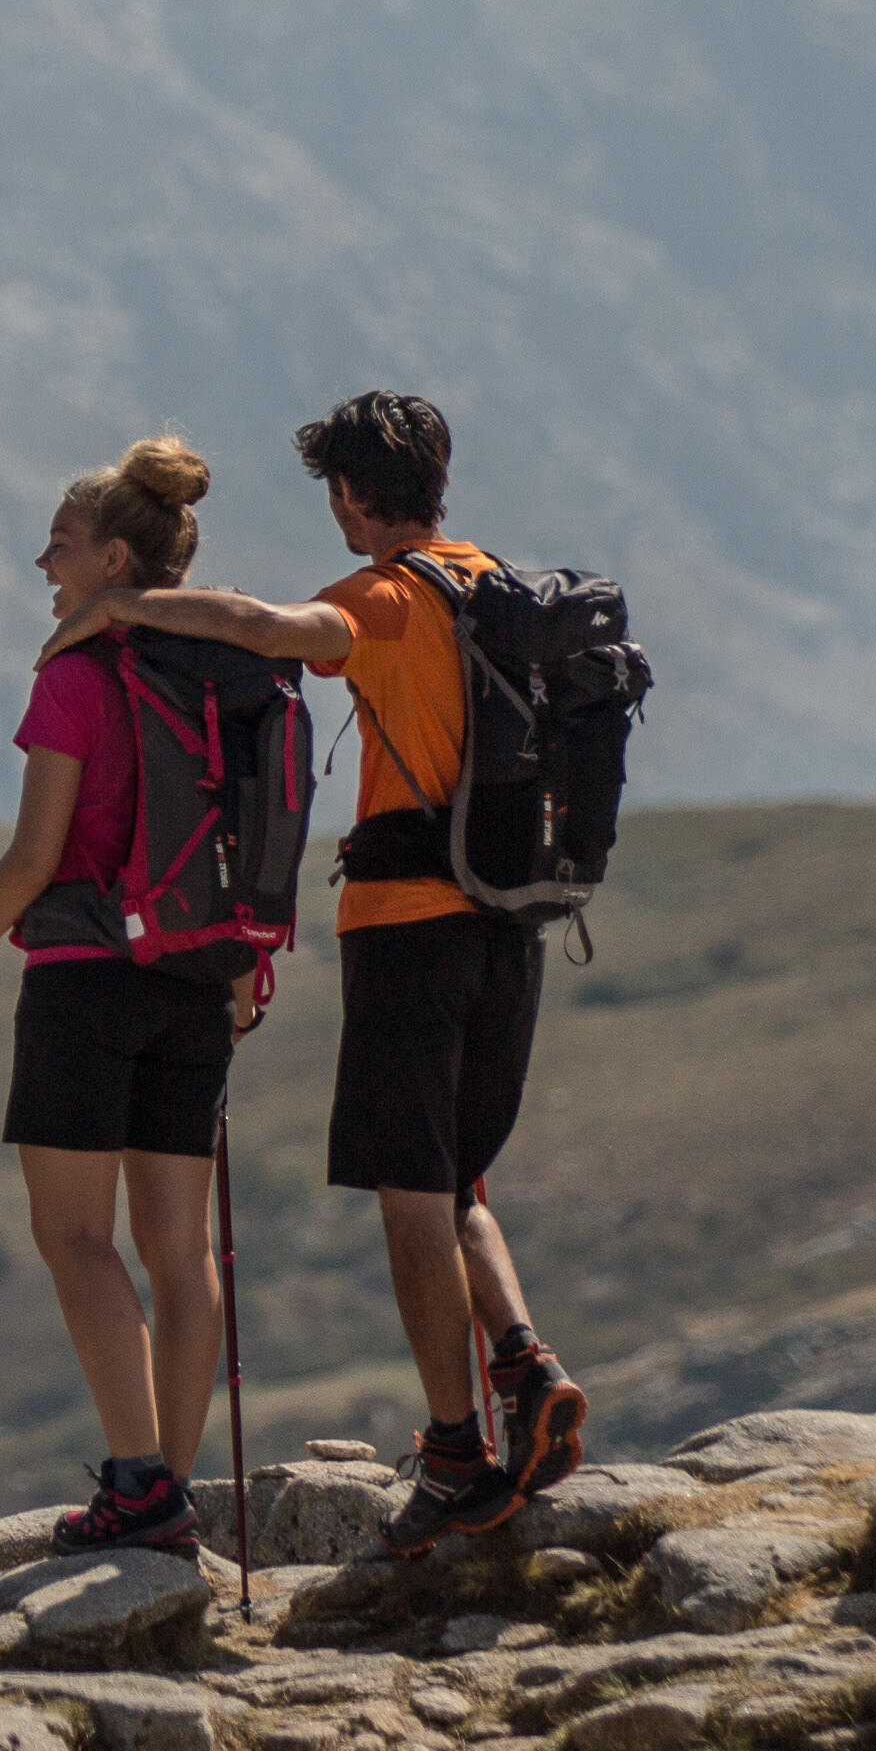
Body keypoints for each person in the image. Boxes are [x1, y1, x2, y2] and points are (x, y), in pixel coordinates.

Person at [51, 390, 585, 1555]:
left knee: (408, 1197)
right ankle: (522, 1364)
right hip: (513, 923)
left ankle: (454, 1458)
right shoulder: (494, 585)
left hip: (409, 924)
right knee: (456, 1185)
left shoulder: (386, 598)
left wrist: (123, 606)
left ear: (349, 495)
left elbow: (261, 628)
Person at [0, 439, 243, 1558]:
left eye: (58, 546)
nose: (40, 563)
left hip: (83, 978)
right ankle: (172, 1488)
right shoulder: (216, 665)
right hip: (198, 980)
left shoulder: (71, 677)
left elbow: (32, 855)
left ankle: (136, 1483)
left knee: (73, 1238)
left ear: (112, 556)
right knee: (178, 1248)